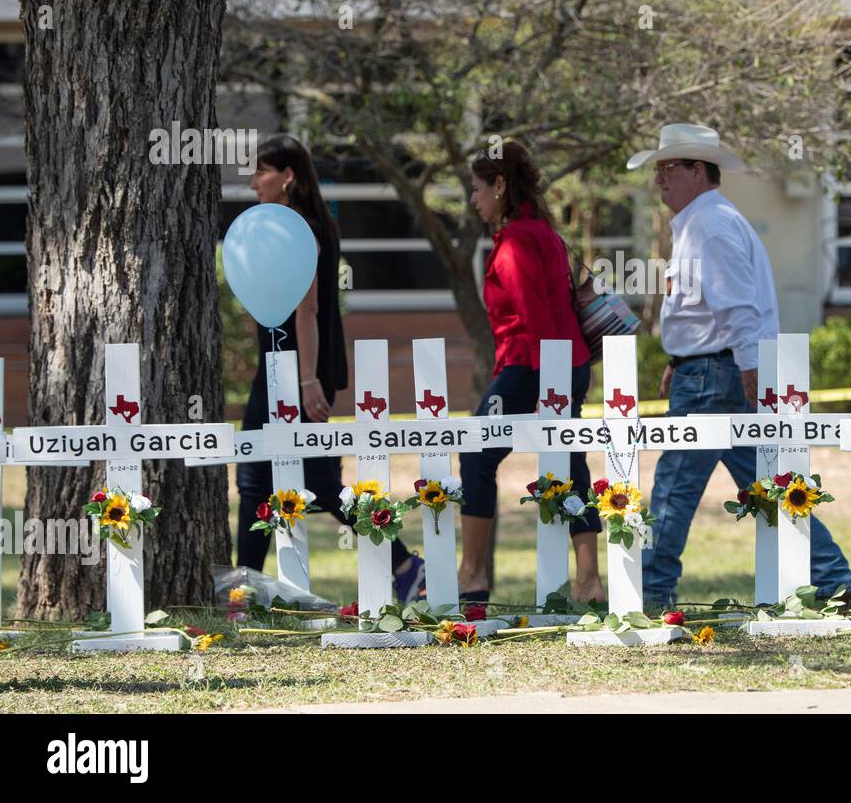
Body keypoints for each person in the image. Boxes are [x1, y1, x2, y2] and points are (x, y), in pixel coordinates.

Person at [631, 123, 851, 609]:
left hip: (713, 374)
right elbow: (713, 308)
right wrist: (685, 359)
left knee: (676, 484)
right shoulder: (708, 221)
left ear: (697, 171)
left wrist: (743, 364)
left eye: (666, 168)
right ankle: (832, 577)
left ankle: (651, 593)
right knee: (764, 483)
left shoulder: (709, 225)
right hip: (712, 369)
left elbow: (736, 306)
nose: (659, 179)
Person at [235, 134, 426, 603]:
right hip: (284, 367)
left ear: (288, 177)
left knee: (261, 481)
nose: (254, 181)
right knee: (305, 481)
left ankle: (242, 591)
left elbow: (308, 311)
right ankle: (405, 564)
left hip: (294, 371)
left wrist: (307, 380)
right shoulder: (303, 224)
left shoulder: (298, 229)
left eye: (262, 171)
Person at [459, 140, 605, 604]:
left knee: (476, 456)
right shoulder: (540, 230)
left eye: (478, 188)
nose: (473, 198)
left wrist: (551, 389)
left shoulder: (518, 240)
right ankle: (588, 580)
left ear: (500, 185)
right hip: (564, 362)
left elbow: (537, 318)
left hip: (533, 364)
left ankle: (472, 575)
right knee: (571, 460)